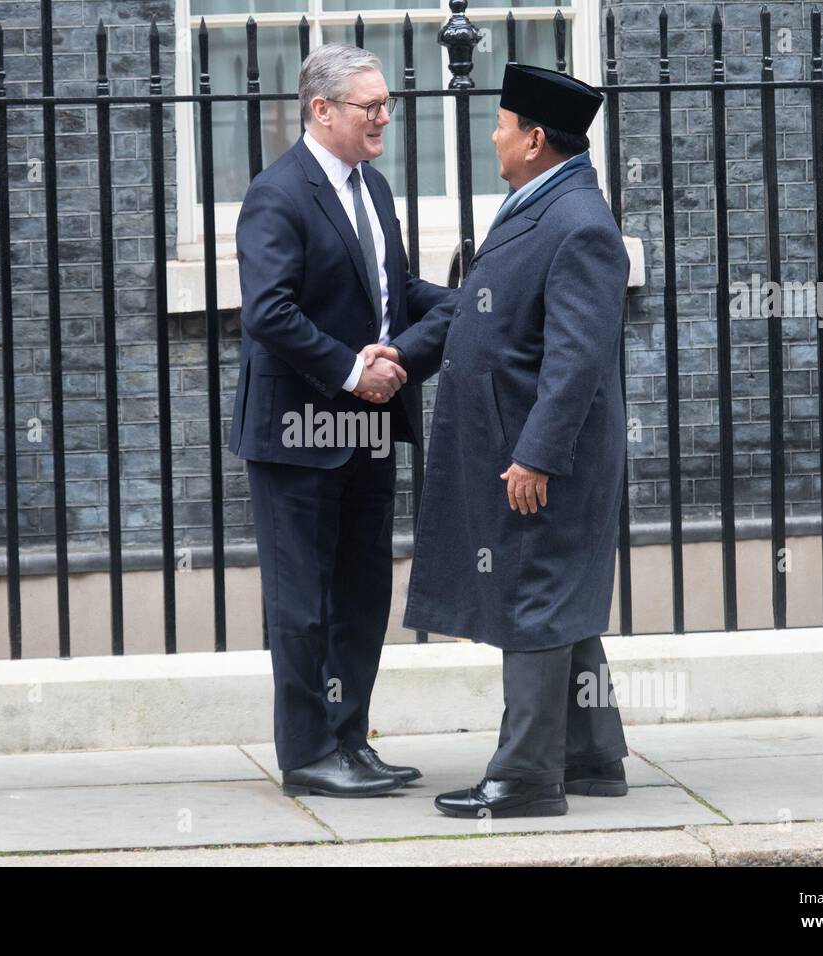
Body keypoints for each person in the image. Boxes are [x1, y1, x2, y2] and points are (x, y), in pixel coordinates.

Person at [367, 63, 632, 818]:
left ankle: (524, 778)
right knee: (558, 597)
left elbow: (578, 357)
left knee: (537, 599)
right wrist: (407, 355)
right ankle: (592, 755)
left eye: (503, 126)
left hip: (540, 454)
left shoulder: (579, 223)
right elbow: (475, 311)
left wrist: (539, 454)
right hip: (512, 441)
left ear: (536, 139)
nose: (495, 138)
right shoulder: (539, 204)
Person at [230, 43, 458, 798]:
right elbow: (269, 312)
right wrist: (355, 369)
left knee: (360, 595)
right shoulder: (278, 193)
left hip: (368, 429)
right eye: (372, 106)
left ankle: (349, 742)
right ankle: (306, 755)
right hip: (299, 432)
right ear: (321, 110)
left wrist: (463, 301)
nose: (385, 116)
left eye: (388, 103)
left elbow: (391, 288)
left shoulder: (373, 186)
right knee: (302, 603)